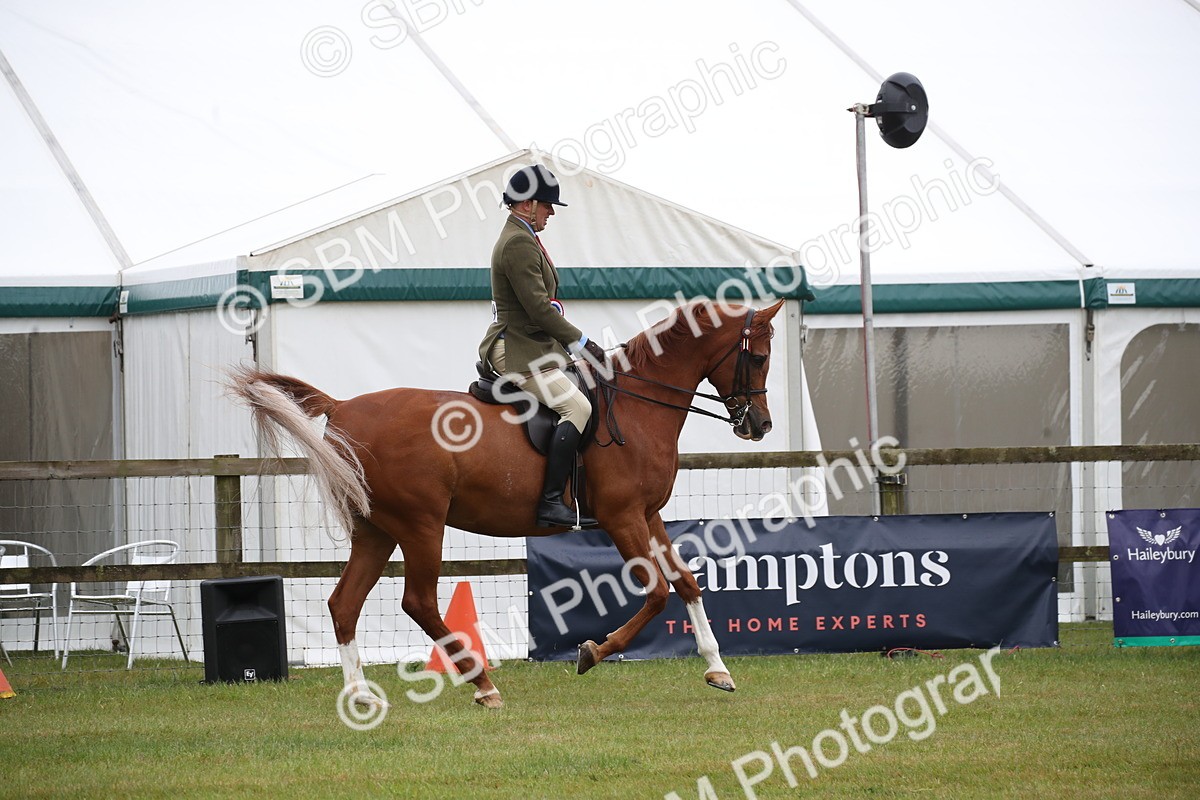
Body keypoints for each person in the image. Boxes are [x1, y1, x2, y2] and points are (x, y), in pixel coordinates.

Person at [478, 164, 606, 528]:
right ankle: (551, 501)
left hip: (535, 345)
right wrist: (579, 341)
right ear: (529, 203)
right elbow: (536, 308)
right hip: (516, 349)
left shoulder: (523, 235)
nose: (551, 212)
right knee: (577, 407)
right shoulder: (517, 241)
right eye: (548, 205)